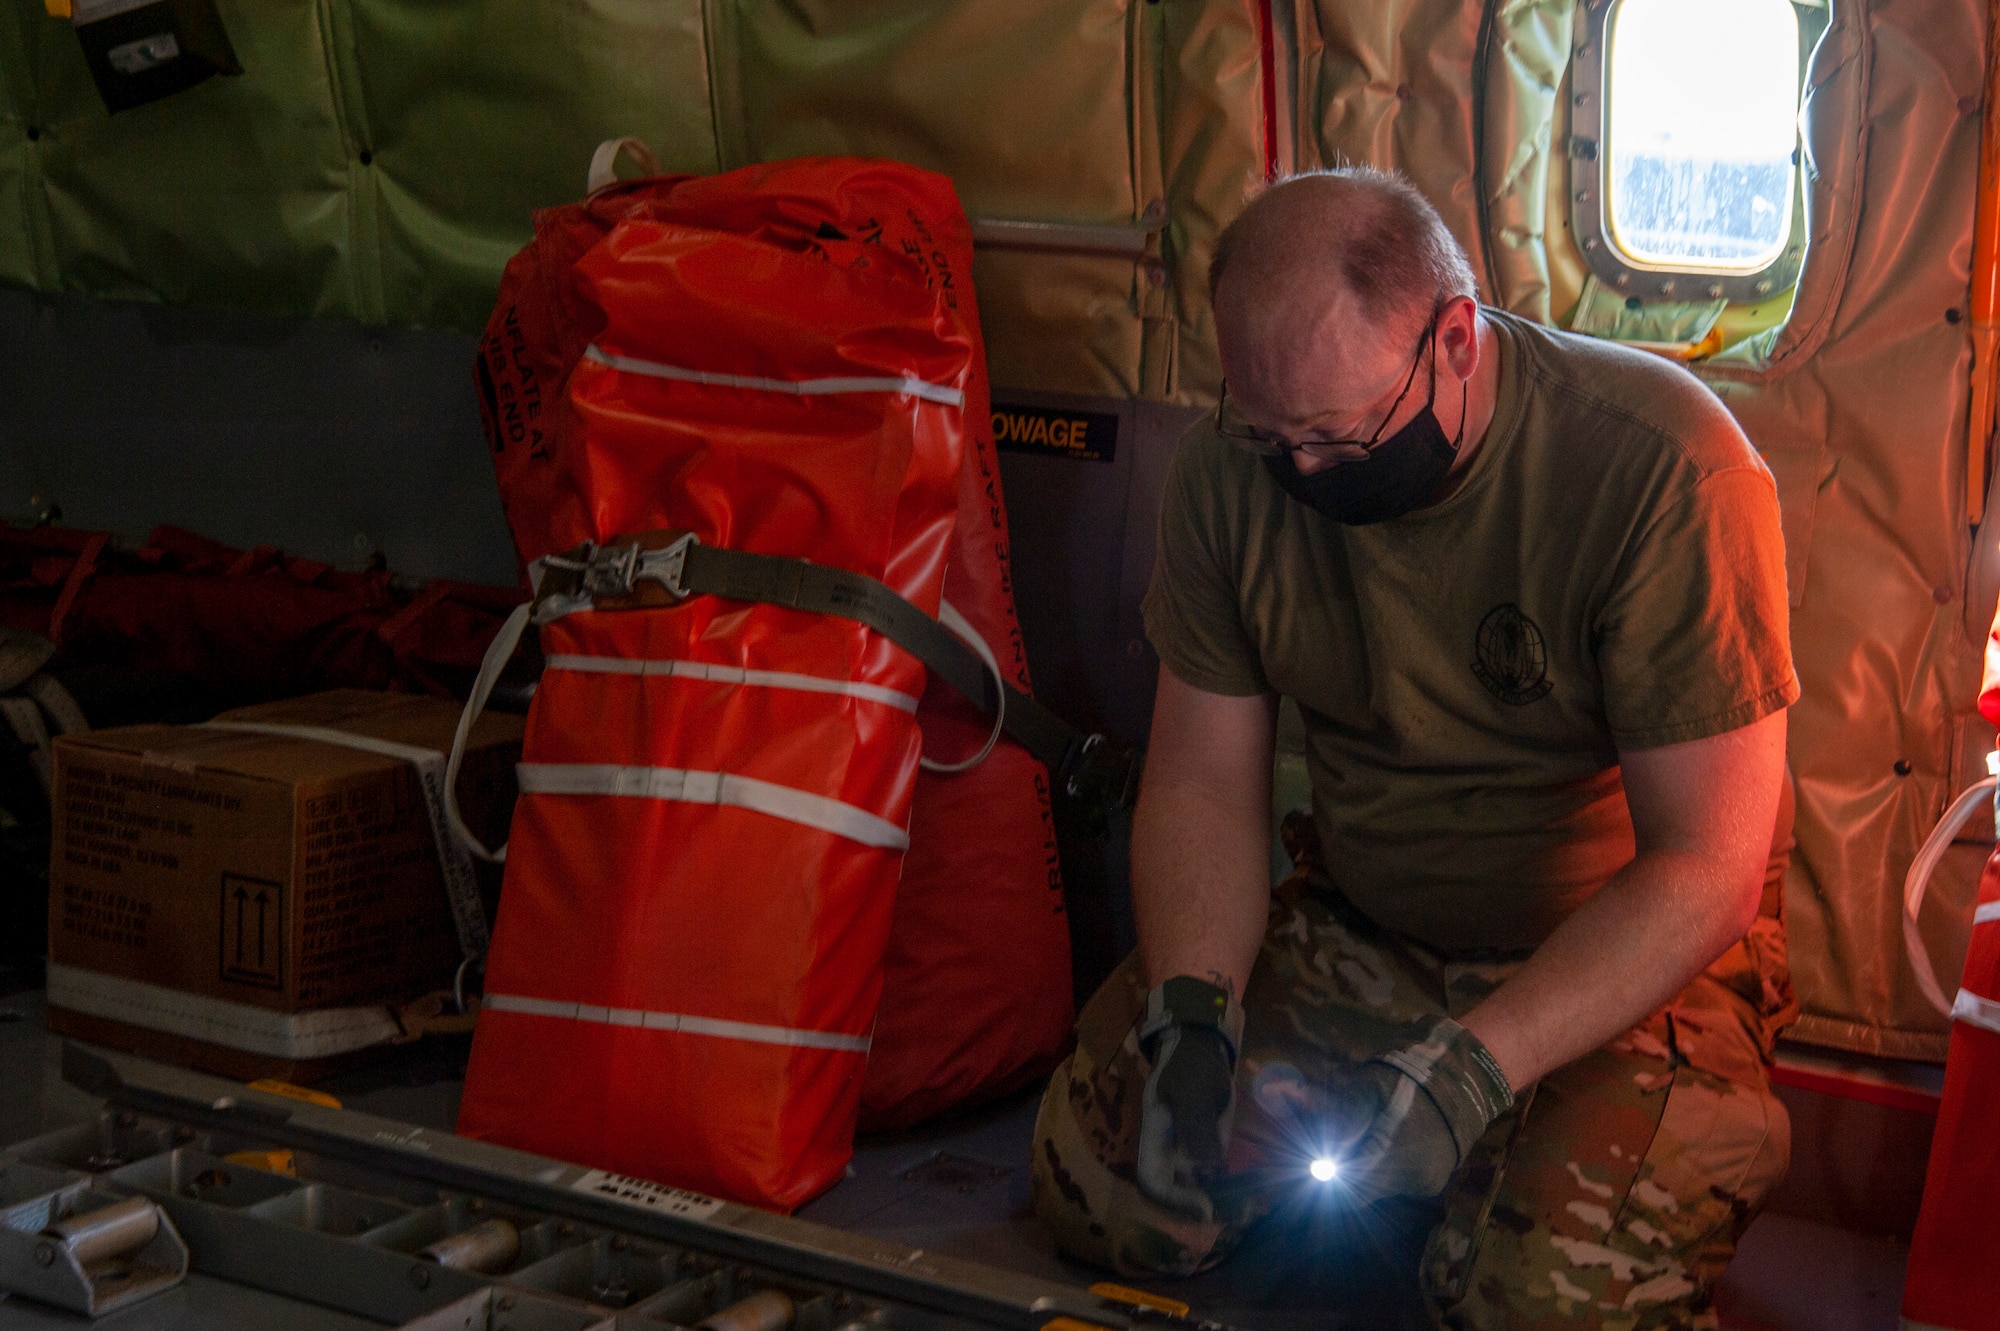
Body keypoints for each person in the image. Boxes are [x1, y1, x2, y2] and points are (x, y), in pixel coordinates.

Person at [1030, 168, 1800, 1329]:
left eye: (1337, 437)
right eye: (1269, 432)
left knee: (1533, 1304)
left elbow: (1708, 868)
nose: (1298, 472)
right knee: (1105, 1192)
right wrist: (1193, 1008)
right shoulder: (1229, 475)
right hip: (1364, 925)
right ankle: (1435, 1173)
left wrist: (1471, 1073)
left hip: (1614, 967)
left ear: (1453, 338)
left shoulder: (1660, 468)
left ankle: (1476, 1170)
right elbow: (1197, 780)